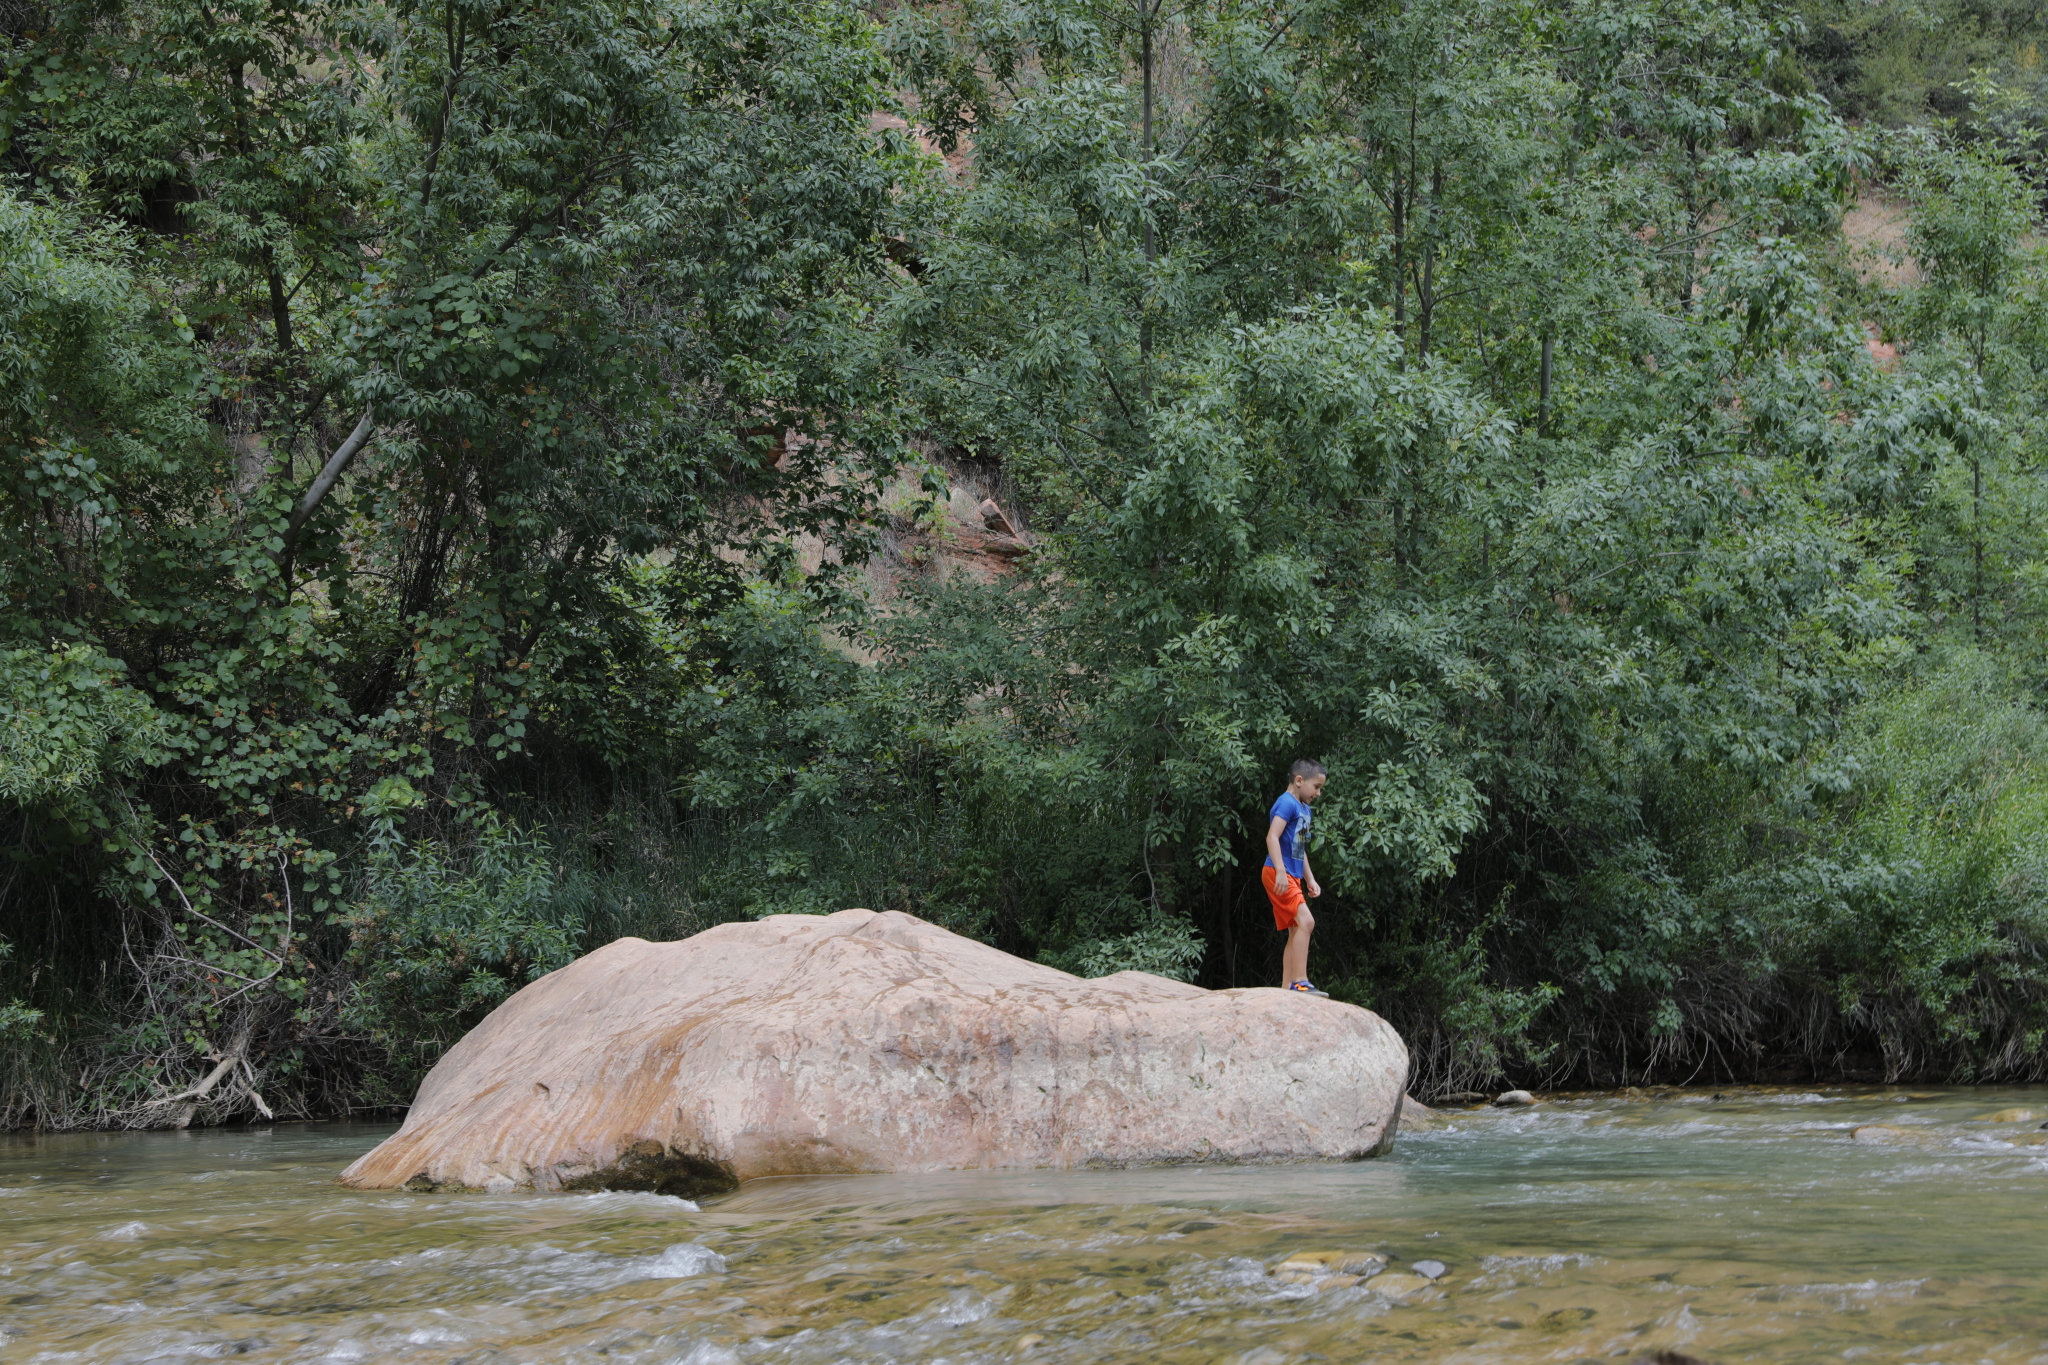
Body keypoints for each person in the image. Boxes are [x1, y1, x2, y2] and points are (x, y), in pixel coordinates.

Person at [1262, 759, 1327, 995]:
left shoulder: (1305, 810)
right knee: (1307, 922)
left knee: (1295, 928)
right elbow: (1272, 837)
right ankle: (1300, 981)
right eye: (1316, 787)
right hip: (1278, 872)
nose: (1318, 793)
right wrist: (1280, 869)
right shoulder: (1286, 803)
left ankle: (1287, 988)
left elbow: (1300, 849)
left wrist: (1309, 878)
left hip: (1291, 874)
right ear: (1299, 781)